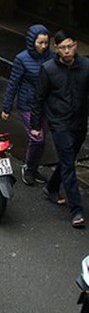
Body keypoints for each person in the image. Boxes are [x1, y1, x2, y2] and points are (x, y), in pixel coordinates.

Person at [32, 30, 89, 228]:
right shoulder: (48, 69)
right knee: (68, 161)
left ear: (76, 45)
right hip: (59, 122)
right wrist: (35, 125)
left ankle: (51, 187)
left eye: (70, 46)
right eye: (62, 48)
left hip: (79, 122)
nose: (67, 51)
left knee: (68, 160)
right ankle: (76, 210)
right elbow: (38, 97)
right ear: (56, 49)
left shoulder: (86, 66)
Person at [1, 24, 52, 186]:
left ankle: (34, 168)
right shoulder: (21, 59)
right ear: (32, 42)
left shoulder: (51, 57)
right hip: (28, 104)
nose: (44, 46)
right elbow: (13, 84)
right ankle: (29, 169)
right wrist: (6, 107)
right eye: (40, 43)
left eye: (46, 43)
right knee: (37, 138)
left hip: (46, 104)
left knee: (42, 139)